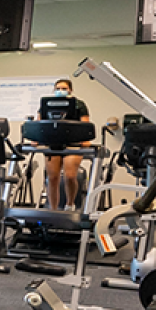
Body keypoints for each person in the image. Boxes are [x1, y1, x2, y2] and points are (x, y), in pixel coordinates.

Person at [42, 79, 92, 211]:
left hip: (73, 144)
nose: (61, 91)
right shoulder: (47, 103)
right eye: (58, 88)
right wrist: (37, 139)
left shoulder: (79, 105)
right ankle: (53, 210)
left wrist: (85, 139)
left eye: (64, 88)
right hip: (53, 143)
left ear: (70, 90)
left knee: (70, 176)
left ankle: (70, 204)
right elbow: (40, 122)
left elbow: (85, 124)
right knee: (52, 178)